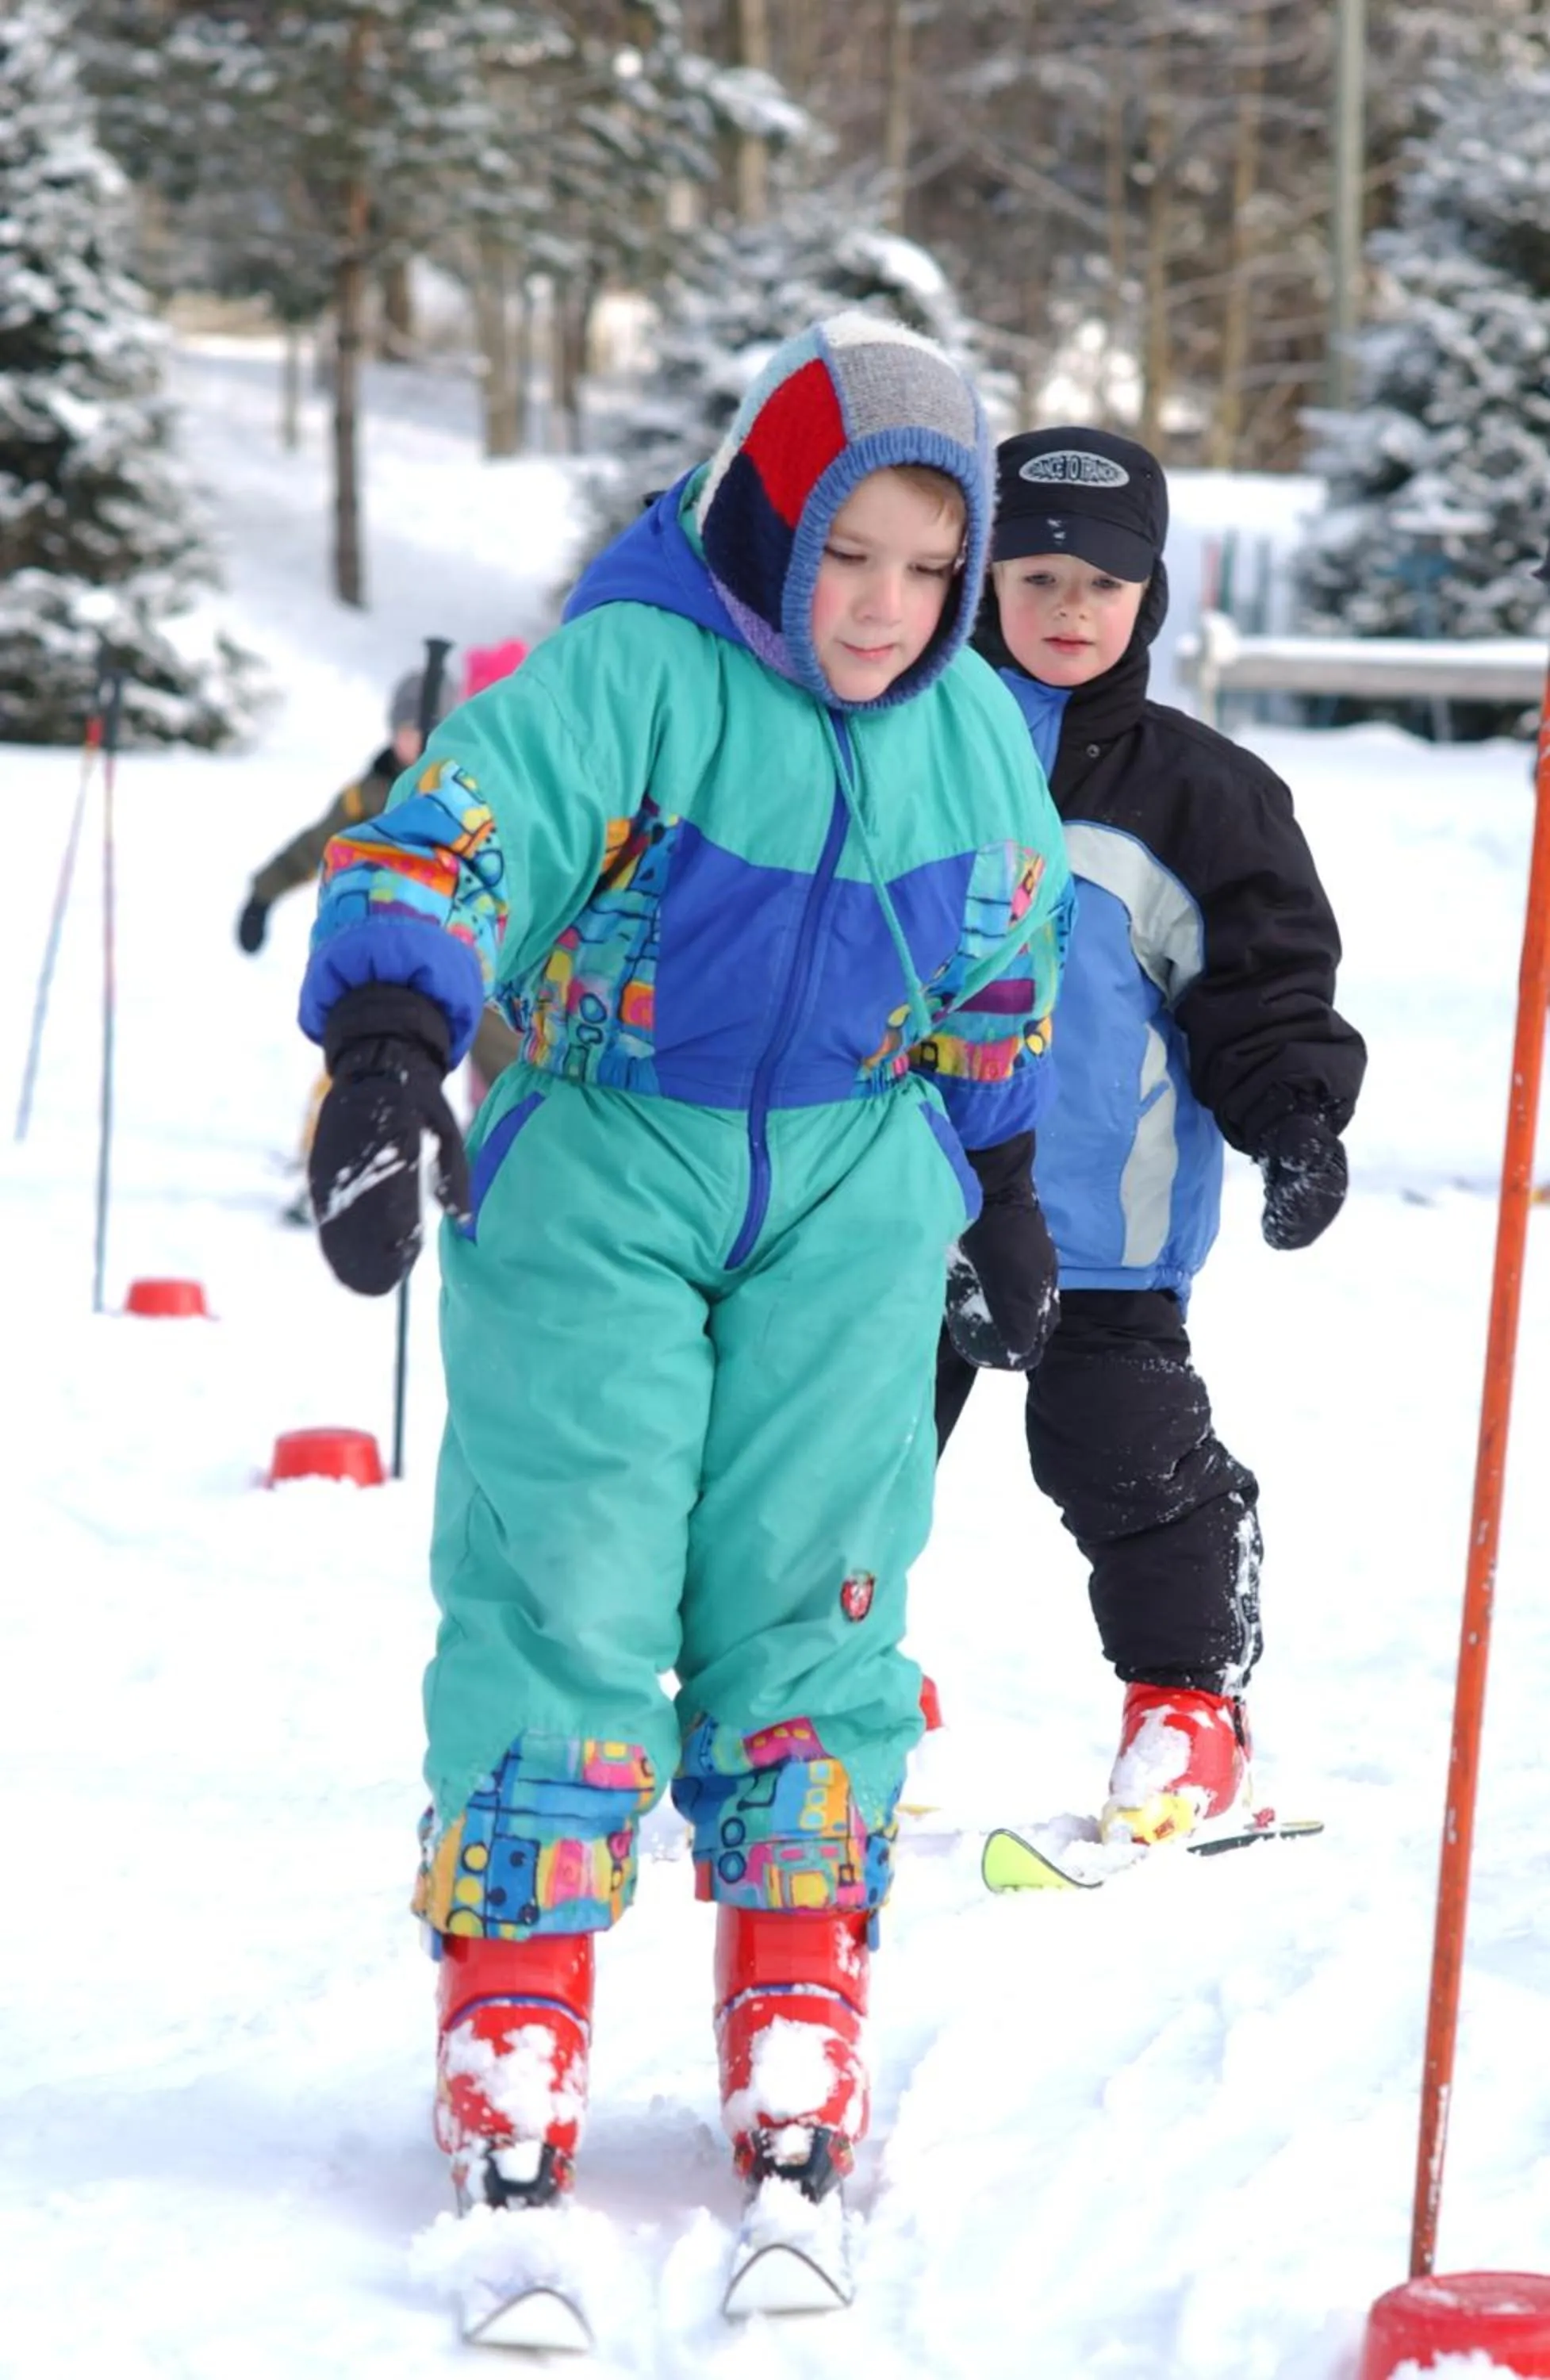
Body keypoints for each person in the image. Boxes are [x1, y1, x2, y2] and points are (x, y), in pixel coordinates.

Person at [296, 314, 1072, 2228]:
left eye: (927, 567)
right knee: (567, 1565)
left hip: (849, 1186)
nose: (886, 607)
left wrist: (1004, 1179)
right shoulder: (631, 670)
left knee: (817, 1579)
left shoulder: (971, 728)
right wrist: (395, 1037)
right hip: (605, 1157)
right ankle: (520, 1992)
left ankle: (797, 1977)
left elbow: (998, 960)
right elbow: (461, 829)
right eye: (851, 554)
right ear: (768, 523)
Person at [937, 424, 1366, 1848]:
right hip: (891, 1214)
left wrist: (1292, 1119)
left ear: (1149, 598)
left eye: (1102, 585)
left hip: (1099, 1231)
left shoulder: (1200, 792)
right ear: (979, 579)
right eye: (1037, 575)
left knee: (1126, 1467)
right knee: (834, 1467)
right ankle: (816, 1704)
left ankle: (1185, 1715)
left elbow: (1259, 988)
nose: (1068, 609)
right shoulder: (901, 746)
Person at [236, 668, 520, 1212]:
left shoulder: (473, 787)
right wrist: (262, 895)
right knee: (362, 1062)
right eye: (409, 729)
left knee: (500, 1063)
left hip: (466, 964)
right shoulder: (366, 797)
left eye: (431, 728)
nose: (417, 740)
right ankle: (332, 1164)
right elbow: (312, 847)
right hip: (377, 963)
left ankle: (495, 1162)